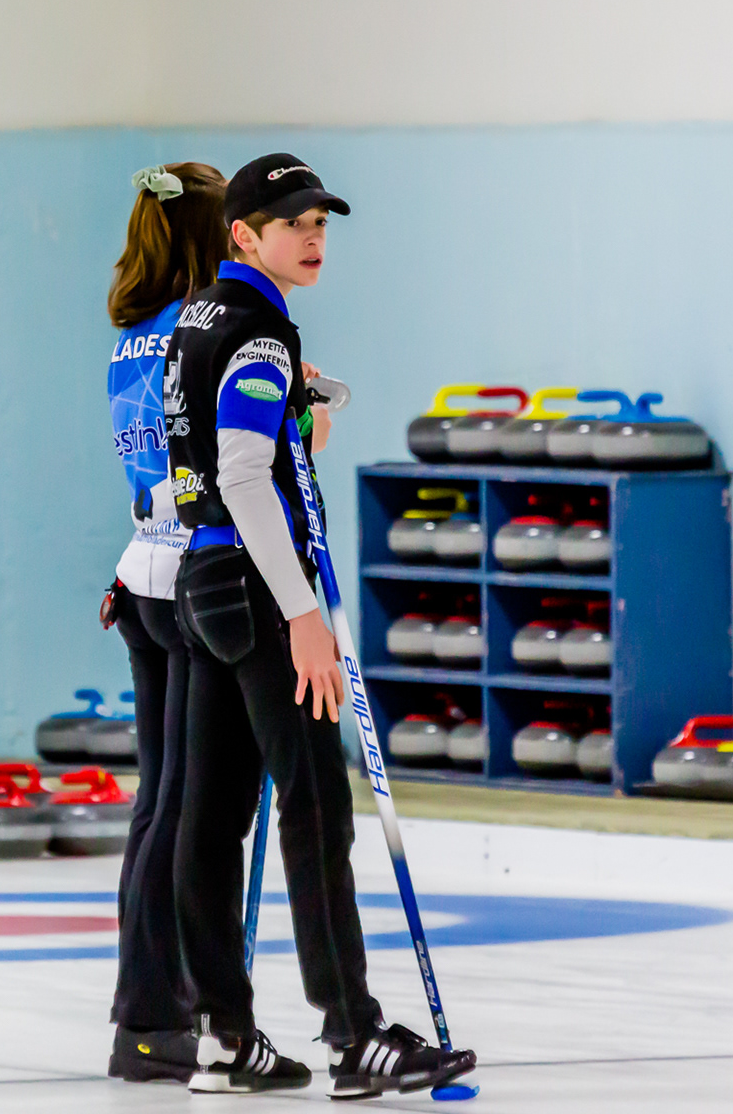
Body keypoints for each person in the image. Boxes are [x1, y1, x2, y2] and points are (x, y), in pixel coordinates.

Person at [164, 153, 476, 1098]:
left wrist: (309, 408)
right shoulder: (257, 335)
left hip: (203, 580)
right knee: (314, 807)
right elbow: (245, 474)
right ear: (243, 235)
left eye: (320, 223)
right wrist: (303, 612)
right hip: (260, 590)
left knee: (211, 817)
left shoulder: (203, 317)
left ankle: (224, 1038)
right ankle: (354, 1035)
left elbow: (234, 436)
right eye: (292, 224)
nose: (312, 238)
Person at [103, 160, 229, 1082]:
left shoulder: (132, 332)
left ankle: (154, 1006)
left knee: (161, 801)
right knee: (184, 806)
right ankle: (153, 1013)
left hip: (144, 566)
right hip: (189, 570)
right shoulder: (198, 329)